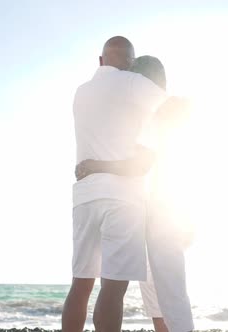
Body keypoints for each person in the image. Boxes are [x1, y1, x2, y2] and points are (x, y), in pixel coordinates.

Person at [75, 55, 195, 332]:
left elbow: (143, 166)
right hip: (143, 211)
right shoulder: (145, 116)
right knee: (158, 295)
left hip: (159, 213)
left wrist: (95, 165)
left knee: (168, 295)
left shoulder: (160, 115)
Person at [62, 37, 169, 332]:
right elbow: (169, 106)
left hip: (84, 195)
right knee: (112, 288)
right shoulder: (133, 83)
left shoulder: (81, 92)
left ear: (100, 61)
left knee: (80, 286)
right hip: (122, 199)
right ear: (131, 64)